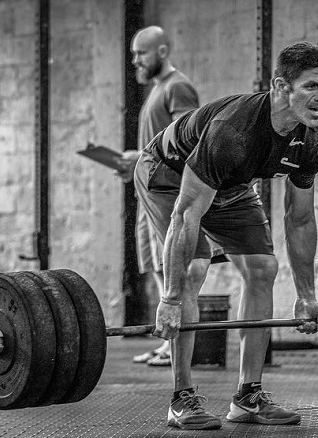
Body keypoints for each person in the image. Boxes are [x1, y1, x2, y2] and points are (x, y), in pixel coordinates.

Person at [134, 41, 318, 430]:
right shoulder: (233, 130)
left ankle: (248, 398)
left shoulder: (310, 140)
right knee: (193, 270)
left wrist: (307, 296)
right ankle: (181, 400)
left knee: (262, 268)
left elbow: (300, 219)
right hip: (166, 174)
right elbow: (187, 213)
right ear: (280, 87)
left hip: (229, 183)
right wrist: (170, 298)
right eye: (311, 86)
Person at [116, 26, 200, 367]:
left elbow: (186, 141)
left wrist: (141, 159)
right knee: (156, 267)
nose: (136, 60)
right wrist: (135, 161)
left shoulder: (178, 86)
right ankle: (167, 341)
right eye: (134, 54)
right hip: (147, 194)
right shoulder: (156, 90)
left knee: (172, 267)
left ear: (162, 52)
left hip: (167, 195)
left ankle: (175, 346)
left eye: (142, 53)